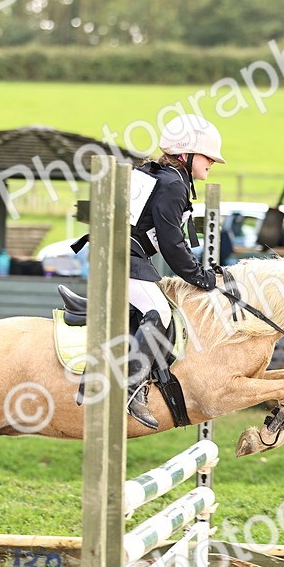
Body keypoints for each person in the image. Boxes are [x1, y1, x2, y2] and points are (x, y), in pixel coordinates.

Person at [124, 113, 225, 429]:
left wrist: (198, 271)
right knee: (159, 312)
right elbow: (171, 244)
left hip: (126, 255)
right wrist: (201, 277)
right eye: (208, 156)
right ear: (187, 154)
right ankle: (130, 389)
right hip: (123, 258)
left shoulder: (164, 177)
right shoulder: (172, 186)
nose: (213, 162)